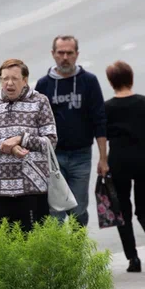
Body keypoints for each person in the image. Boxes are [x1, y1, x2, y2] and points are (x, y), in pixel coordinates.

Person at [0, 59, 57, 232]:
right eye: (4, 79)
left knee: (33, 247)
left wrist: (21, 139)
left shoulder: (39, 102)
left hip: (32, 188)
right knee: (1, 247)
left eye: (14, 79)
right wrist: (4, 146)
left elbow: (51, 140)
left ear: (25, 80)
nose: (9, 84)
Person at [35, 35, 108, 227]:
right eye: (60, 53)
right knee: (55, 210)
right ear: (53, 54)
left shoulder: (89, 82)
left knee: (78, 208)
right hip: (53, 156)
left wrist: (103, 158)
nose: (65, 57)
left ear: (77, 55)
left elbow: (100, 120)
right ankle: (58, 255)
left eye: (69, 53)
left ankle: (76, 250)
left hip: (81, 156)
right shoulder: (44, 85)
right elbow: (35, 123)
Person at [104, 61, 145, 272]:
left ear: (111, 82)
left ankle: (132, 259)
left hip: (119, 163)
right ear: (131, 78)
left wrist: (102, 161)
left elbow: (101, 136)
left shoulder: (107, 108)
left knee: (122, 211)